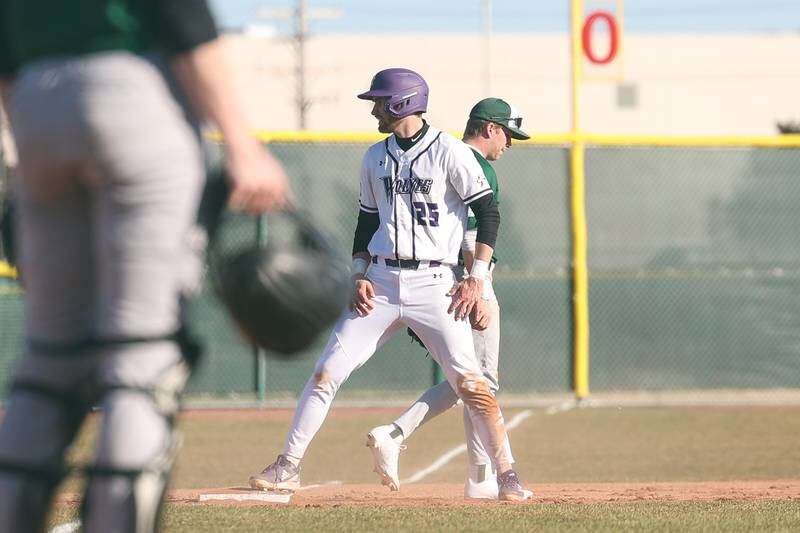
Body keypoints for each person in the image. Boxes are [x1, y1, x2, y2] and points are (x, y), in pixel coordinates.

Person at [0, 1, 290, 531]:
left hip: (33, 104)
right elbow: (184, 21)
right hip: (134, 93)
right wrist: (241, 144)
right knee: (141, 360)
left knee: (48, 362)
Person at [249, 68, 531, 501]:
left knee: (471, 383)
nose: (375, 109)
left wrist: (476, 279)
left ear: (401, 103)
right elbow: (366, 221)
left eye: (379, 101)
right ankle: (287, 465)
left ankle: (507, 474)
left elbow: (489, 214)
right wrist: (358, 272)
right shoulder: (373, 157)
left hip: (437, 281)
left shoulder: (450, 152)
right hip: (380, 281)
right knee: (326, 372)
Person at [367, 97, 532, 500]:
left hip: (425, 278)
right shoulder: (474, 164)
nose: (508, 143)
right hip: (463, 279)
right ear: (490, 129)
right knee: (480, 381)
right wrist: (478, 285)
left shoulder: (434, 154)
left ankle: (479, 477)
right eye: (507, 134)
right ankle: (400, 433)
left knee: (470, 379)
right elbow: (471, 235)